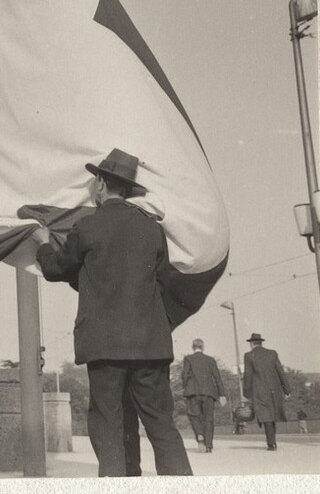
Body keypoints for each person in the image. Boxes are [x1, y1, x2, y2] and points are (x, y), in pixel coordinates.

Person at [34, 149, 192, 477]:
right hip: (150, 346)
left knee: (109, 428)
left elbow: (54, 269)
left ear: (102, 184)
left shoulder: (88, 227)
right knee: (162, 428)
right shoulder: (152, 229)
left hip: (105, 346)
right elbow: (163, 283)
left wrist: (42, 244)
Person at [243, 332, 290, 451]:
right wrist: (287, 389)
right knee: (272, 415)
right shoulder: (272, 353)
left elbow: (248, 375)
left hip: (259, 391)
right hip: (275, 390)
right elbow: (280, 372)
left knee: (266, 416)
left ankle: (271, 443)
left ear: (252, 344)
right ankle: (272, 441)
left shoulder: (249, 355)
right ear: (261, 342)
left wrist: (246, 393)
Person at [182, 338, 226, 452]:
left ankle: (200, 436)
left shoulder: (188, 359)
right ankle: (209, 445)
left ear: (193, 347)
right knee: (208, 418)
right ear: (203, 347)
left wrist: (185, 386)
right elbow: (217, 377)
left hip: (193, 392)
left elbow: (185, 375)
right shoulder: (210, 360)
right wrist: (222, 394)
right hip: (208, 393)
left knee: (194, 416)